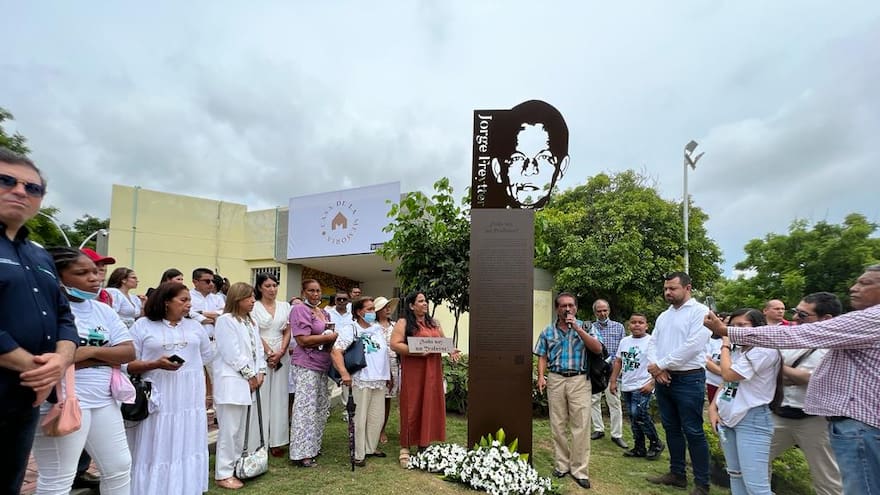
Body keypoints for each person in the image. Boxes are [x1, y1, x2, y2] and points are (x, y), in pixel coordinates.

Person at [704, 267, 880, 495]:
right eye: (796, 312)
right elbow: (731, 381)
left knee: (836, 483)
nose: (854, 288)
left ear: (826, 320)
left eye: (865, 283)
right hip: (784, 414)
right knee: (744, 473)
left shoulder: (870, 320)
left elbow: (793, 341)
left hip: (839, 423)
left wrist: (726, 334)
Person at [0, 148, 78, 493]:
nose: (20, 191)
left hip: (26, 396)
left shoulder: (40, 255)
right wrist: (39, 368)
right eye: (6, 181)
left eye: (32, 188)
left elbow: (63, 316)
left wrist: (60, 360)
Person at [32, 247, 134, 494]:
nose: (95, 278)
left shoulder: (103, 310)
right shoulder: (44, 310)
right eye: (82, 273)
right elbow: (48, 360)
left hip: (103, 401)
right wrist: (103, 356)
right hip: (61, 402)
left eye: (96, 272)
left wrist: (86, 352)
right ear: (57, 276)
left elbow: (128, 352)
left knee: (119, 467)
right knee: (58, 477)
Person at [126, 282, 214, 495]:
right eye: (183, 300)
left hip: (189, 396)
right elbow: (126, 364)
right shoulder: (143, 326)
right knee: (158, 443)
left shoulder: (194, 326)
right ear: (166, 302)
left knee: (188, 441)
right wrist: (155, 364)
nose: (188, 305)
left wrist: (208, 392)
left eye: (189, 300)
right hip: (158, 395)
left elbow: (206, 358)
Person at [768, 292, 843, 495]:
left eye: (802, 315)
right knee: (753, 462)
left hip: (815, 420)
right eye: (795, 312)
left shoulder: (838, 347)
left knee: (827, 480)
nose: (794, 319)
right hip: (779, 414)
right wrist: (796, 376)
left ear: (825, 319)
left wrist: (781, 369)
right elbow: (776, 375)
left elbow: (815, 380)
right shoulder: (790, 337)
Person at [646, 272, 712, 495]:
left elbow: (693, 346)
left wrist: (661, 365)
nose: (667, 293)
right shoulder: (664, 316)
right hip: (664, 379)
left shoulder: (700, 312)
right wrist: (657, 368)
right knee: (671, 428)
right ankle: (677, 474)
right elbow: (652, 342)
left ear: (688, 288)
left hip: (689, 378)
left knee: (693, 431)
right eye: (666, 289)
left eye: (672, 288)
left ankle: (702, 484)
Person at [533, 292, 604, 489]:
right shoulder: (548, 331)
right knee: (558, 424)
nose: (567, 309)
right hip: (556, 379)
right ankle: (561, 465)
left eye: (571, 305)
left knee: (581, 425)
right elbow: (542, 355)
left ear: (576, 308)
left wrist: (578, 329)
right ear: (557, 309)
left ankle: (580, 470)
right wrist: (541, 376)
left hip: (580, 380)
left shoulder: (587, 327)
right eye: (563, 306)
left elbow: (598, 349)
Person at [706, 308, 780, 495]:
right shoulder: (739, 350)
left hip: (752, 420)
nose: (735, 330)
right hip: (728, 418)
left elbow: (729, 374)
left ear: (758, 327)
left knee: (756, 487)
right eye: (732, 326)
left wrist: (724, 343)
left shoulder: (764, 350)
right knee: (735, 475)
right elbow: (726, 383)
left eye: (742, 326)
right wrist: (714, 408)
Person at [391, 292, 461, 469]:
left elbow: (444, 343)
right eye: (420, 301)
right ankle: (406, 446)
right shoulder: (403, 322)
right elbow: (395, 344)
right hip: (414, 371)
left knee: (429, 404)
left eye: (426, 301)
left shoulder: (434, 323)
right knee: (411, 405)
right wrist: (415, 351)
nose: (425, 304)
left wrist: (452, 351)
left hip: (433, 371)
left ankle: (424, 443)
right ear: (412, 306)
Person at [213, 282, 265, 490]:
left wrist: (260, 371)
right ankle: (222, 473)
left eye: (253, 297)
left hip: (249, 382)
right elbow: (231, 352)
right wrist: (250, 374)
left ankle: (236, 466)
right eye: (249, 297)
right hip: (233, 381)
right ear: (237, 299)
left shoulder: (251, 322)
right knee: (230, 429)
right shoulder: (226, 321)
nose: (253, 301)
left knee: (242, 428)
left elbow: (258, 349)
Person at [331, 296, 392, 466]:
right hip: (361, 380)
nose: (373, 312)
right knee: (359, 418)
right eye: (369, 309)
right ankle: (358, 454)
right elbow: (336, 352)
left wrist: (389, 376)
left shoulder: (378, 329)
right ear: (359, 312)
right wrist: (344, 373)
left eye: (373, 309)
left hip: (378, 379)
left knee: (376, 417)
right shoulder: (351, 328)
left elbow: (384, 354)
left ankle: (370, 447)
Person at [288, 279, 337, 467]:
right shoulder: (299, 310)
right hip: (306, 363)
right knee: (305, 409)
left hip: (322, 363)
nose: (315, 294)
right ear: (304, 292)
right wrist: (329, 337)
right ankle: (301, 453)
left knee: (320, 407)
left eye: (318, 291)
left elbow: (327, 336)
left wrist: (332, 338)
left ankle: (313, 447)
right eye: (311, 291)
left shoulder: (323, 312)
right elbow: (302, 340)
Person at [490, 100, 570, 209]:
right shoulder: (492, 221)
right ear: (497, 168)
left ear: (562, 166)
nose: (529, 170)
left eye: (543, 157)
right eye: (517, 158)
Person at [609, 313, 664, 460]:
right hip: (627, 384)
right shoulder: (624, 341)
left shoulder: (652, 341)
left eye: (641, 322)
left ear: (647, 325)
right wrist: (613, 380)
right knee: (633, 417)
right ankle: (639, 447)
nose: (637, 325)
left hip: (643, 384)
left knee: (639, 414)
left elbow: (660, 364)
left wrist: (652, 383)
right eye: (634, 322)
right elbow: (618, 361)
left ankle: (655, 443)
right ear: (629, 325)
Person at [250, 273, 291, 457]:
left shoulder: (285, 306)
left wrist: (281, 351)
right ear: (259, 287)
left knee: (280, 396)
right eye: (268, 286)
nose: (272, 289)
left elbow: (288, 329)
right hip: (260, 351)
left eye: (275, 285)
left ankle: (278, 439)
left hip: (281, 352)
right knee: (262, 395)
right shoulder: (254, 306)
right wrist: (268, 353)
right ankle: (259, 440)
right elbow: (253, 331)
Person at [589, 299, 627, 448]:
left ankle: (617, 434)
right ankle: (598, 429)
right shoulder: (590, 328)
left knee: (614, 402)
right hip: (595, 370)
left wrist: (617, 370)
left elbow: (622, 349)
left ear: (609, 311)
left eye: (604, 310)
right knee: (594, 400)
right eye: (599, 311)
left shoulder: (618, 327)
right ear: (595, 312)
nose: (602, 313)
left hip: (612, 370)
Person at [375, 296, 400, 444]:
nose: (388, 309)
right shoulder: (372, 326)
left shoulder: (395, 326)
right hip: (376, 366)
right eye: (385, 307)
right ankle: (373, 428)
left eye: (389, 307)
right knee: (376, 398)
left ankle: (382, 429)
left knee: (387, 398)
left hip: (394, 365)